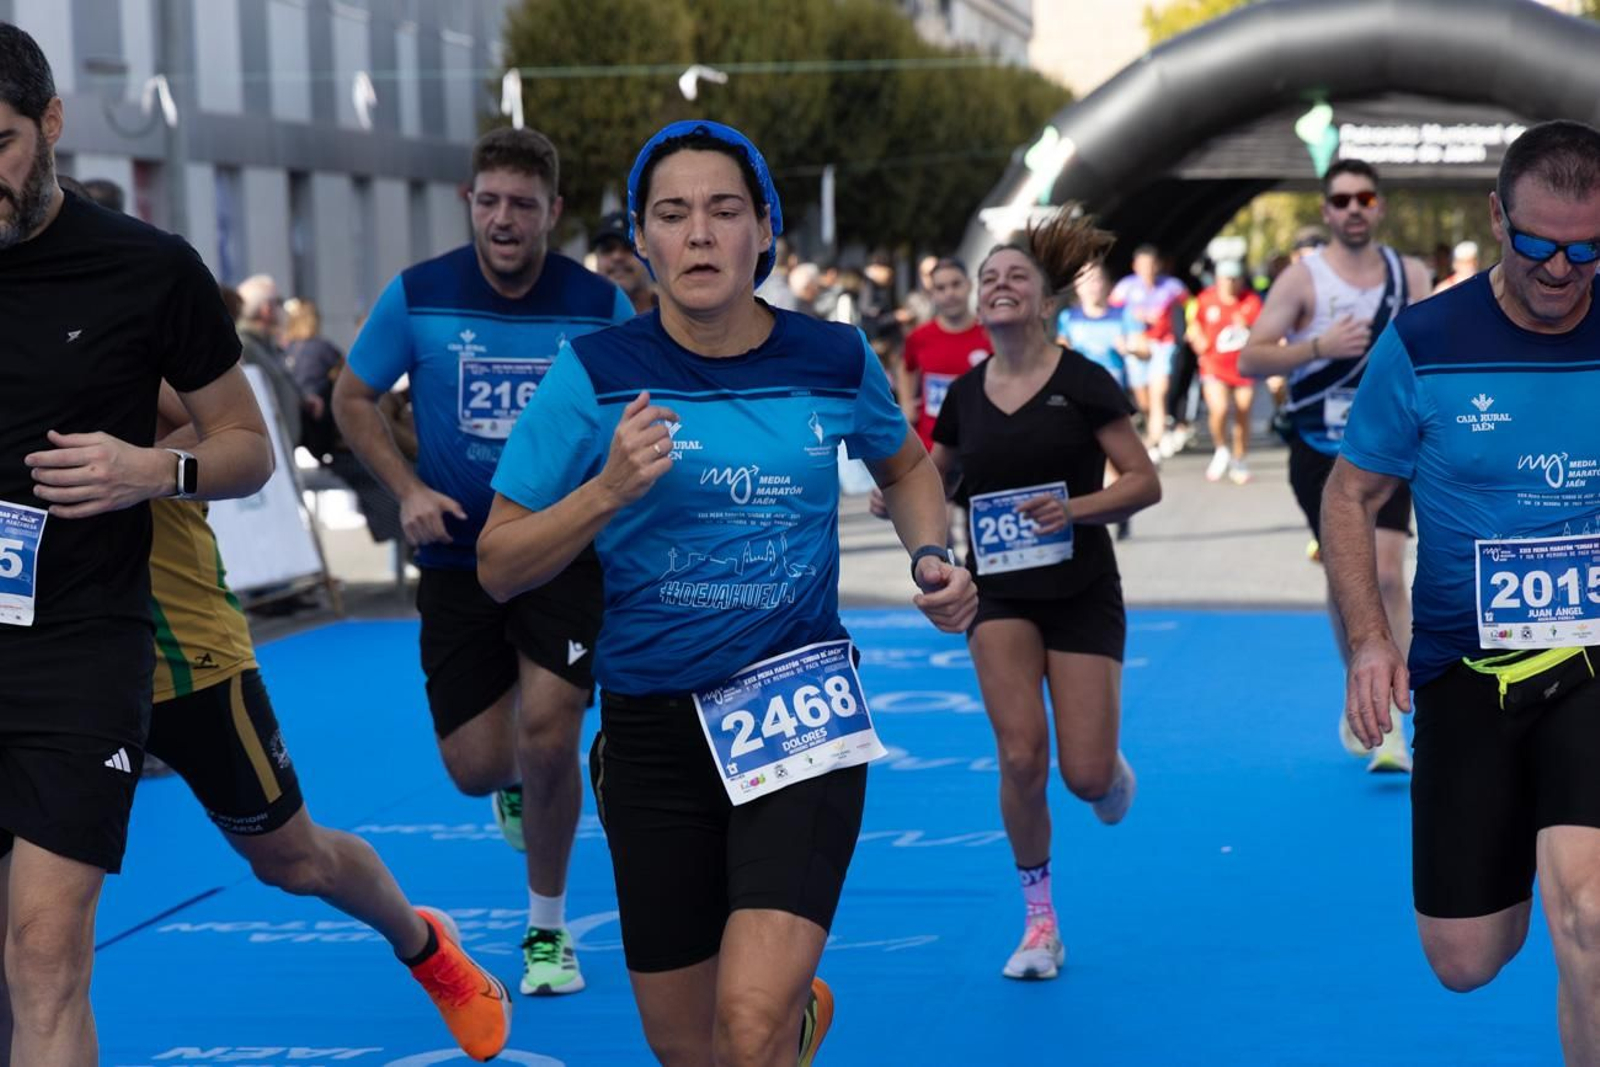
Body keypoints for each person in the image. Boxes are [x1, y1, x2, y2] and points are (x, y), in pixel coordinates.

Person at [478, 118, 976, 1066]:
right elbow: (501, 562)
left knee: (743, 1029)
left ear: (763, 232)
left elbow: (909, 468)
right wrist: (607, 490)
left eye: (722, 211)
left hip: (796, 715)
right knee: (696, 1050)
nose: (698, 234)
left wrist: (928, 558)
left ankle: (775, 1018)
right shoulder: (595, 376)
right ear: (642, 240)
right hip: (650, 732)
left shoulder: (833, 358)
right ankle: (794, 1020)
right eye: (672, 214)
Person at [0, 23, 273, 1061]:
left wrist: (154, 470)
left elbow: (247, 447)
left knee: (44, 949)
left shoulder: (148, 270)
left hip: (80, 645)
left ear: (52, 124)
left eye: (1, 144)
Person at [332, 126, 634, 998]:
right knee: (476, 765)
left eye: (524, 206)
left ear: (554, 213)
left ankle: (546, 931)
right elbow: (352, 397)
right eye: (490, 201)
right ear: (470, 200)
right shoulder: (418, 295)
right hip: (458, 554)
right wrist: (405, 489)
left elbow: (636, 413)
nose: (504, 220)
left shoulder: (597, 305)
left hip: (559, 550)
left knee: (550, 731)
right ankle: (512, 781)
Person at [1322, 119, 1600, 1055]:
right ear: (1495, 219)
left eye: (1588, 249)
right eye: (1537, 246)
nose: (1562, 270)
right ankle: (1538, 824)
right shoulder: (1427, 340)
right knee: (1467, 957)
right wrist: (1368, 639)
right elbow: (1350, 494)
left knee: (1591, 919)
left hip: (1592, 660)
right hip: (1465, 670)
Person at [141, 386, 512, 1060]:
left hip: (184, 658)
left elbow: (229, 435)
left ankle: (422, 943)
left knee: (293, 860)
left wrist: (134, 466)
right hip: (52, 671)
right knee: (38, 930)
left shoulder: (114, 311)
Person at [921, 209, 1160, 981]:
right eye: (988, 277)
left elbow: (1144, 482)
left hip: (1082, 588)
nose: (996, 285)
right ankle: (1039, 921)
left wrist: (1074, 508)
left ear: (1044, 299)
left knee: (1083, 776)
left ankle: (1111, 770)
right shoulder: (963, 392)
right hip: (999, 592)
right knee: (1022, 754)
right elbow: (934, 474)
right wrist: (905, 497)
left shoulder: (1085, 381)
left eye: (1013, 275)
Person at [1239, 158, 1432, 774]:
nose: (1353, 208)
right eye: (1342, 199)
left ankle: (1392, 715)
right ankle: (1363, 689)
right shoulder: (1303, 279)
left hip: (1389, 447)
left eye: (1364, 198)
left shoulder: (1411, 274)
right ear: (1326, 211)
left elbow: (1439, 350)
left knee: (1387, 573)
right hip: (1320, 450)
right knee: (1345, 575)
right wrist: (1319, 347)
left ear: (1378, 207)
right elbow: (1250, 359)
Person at [898, 257, 992, 452]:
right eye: (941, 288)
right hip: (931, 447)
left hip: (981, 446)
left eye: (956, 284)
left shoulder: (991, 335)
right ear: (932, 294)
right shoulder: (919, 337)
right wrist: (906, 402)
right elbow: (906, 367)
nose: (950, 293)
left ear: (970, 285)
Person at [1110, 244, 1189, 461]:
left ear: (1159, 265)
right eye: (1143, 265)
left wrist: (1189, 328)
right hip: (1137, 344)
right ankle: (1152, 426)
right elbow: (1112, 314)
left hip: (1163, 344)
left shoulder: (1172, 287)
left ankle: (1155, 439)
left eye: (1152, 264)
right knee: (1143, 399)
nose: (1148, 269)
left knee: (1159, 391)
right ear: (1135, 266)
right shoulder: (1125, 288)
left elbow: (1191, 305)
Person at [1189, 260, 1263, 484]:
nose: (1230, 283)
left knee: (1243, 410)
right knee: (1219, 409)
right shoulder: (1205, 298)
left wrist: (1249, 327)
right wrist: (1197, 340)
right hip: (1214, 364)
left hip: (1243, 367)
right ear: (1218, 280)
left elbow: (1264, 329)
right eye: (1225, 279)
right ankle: (1221, 448)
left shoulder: (1251, 301)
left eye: (1234, 279)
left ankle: (1239, 459)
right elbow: (1193, 324)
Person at [592, 209, 655, 315]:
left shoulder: (678, 316)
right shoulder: (581, 321)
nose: (617, 257)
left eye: (629, 247)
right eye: (608, 249)